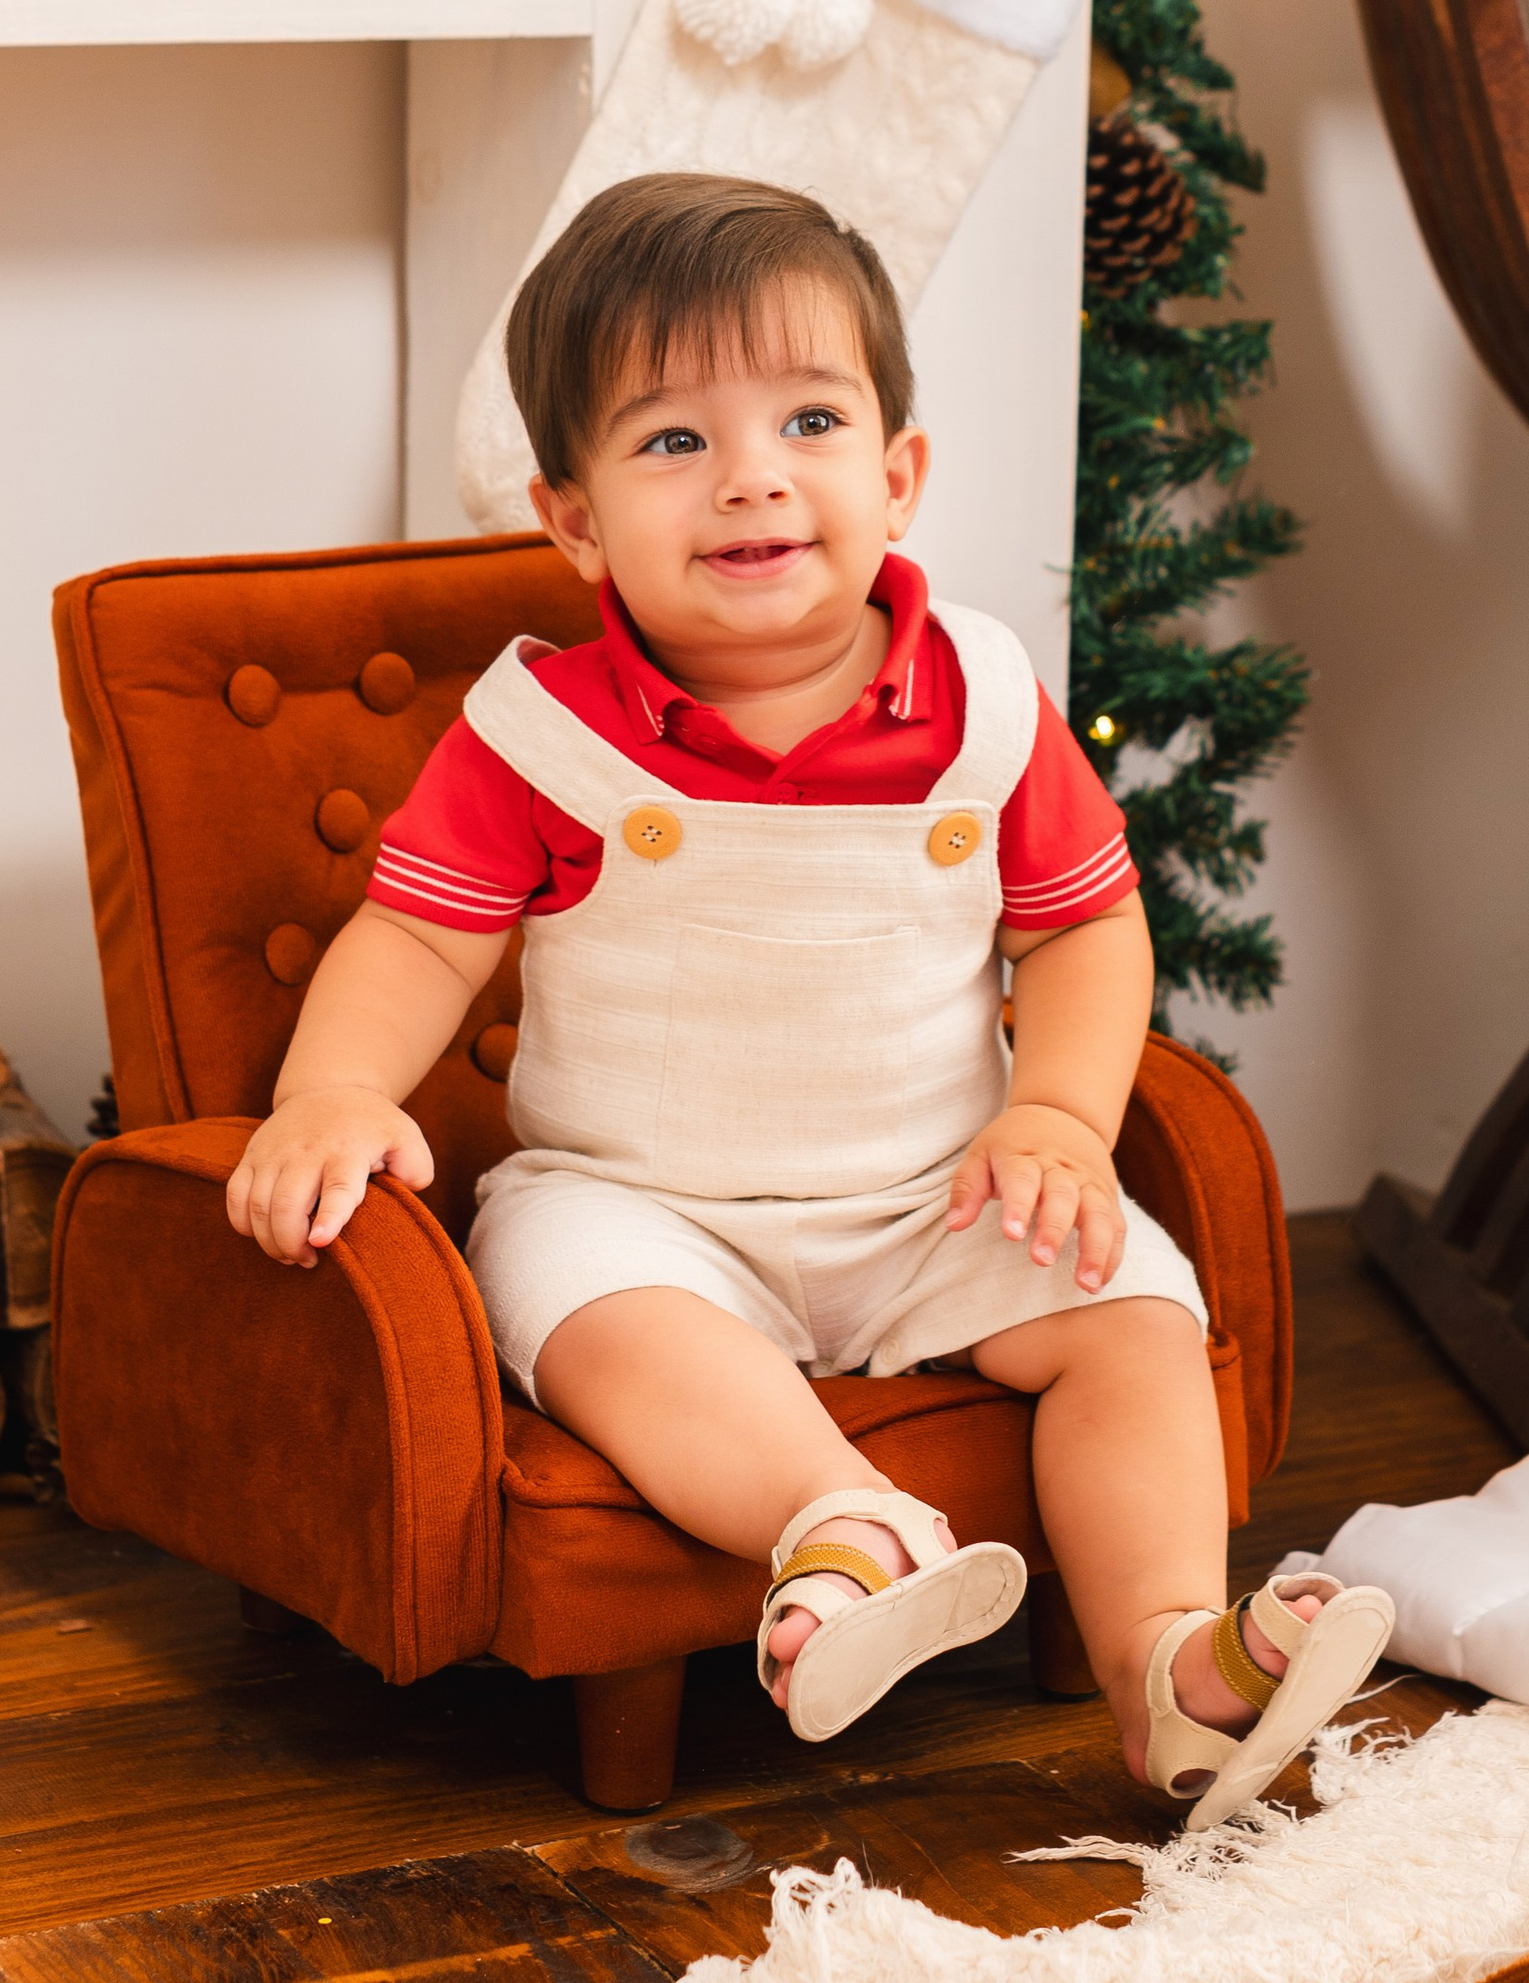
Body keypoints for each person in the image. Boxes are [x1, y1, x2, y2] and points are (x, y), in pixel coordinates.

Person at [226, 172, 1387, 1820]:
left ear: (896, 473)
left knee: (1133, 1301)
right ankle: (845, 1523)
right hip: (649, 1209)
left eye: (810, 419)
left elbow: (1084, 930)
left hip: (935, 1192)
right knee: (582, 1300)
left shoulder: (985, 704)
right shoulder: (541, 736)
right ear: (573, 518)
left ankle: (1168, 1671)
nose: (753, 477)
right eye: (674, 442)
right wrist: (336, 1091)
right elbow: (417, 939)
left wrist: (1057, 1111)